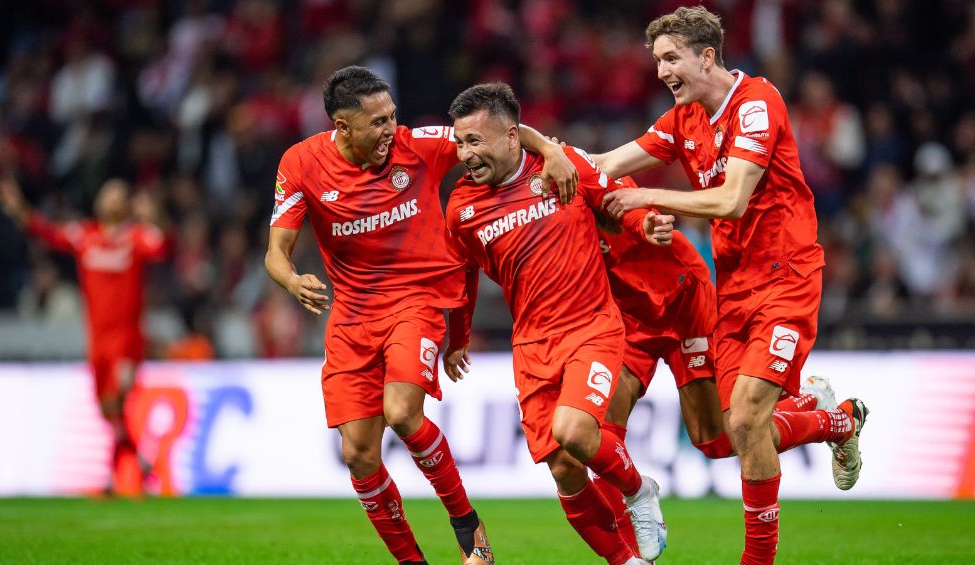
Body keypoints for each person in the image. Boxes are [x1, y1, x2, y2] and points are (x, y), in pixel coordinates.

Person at [264, 65, 577, 565]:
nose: (392, 130)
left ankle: (468, 526)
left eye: (393, 116)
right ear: (342, 127)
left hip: (418, 300)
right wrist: (291, 280)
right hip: (351, 316)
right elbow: (276, 252)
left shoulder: (419, 145)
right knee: (358, 455)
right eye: (378, 122)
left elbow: (498, 136)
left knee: (403, 413)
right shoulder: (301, 164)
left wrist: (554, 151)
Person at [597, 7, 868, 564]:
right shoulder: (682, 121)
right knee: (724, 436)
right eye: (656, 62)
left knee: (747, 418)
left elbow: (731, 199)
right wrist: (539, 159)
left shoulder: (757, 103)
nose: (661, 72)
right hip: (735, 287)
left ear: (707, 57)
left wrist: (649, 196)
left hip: (787, 276)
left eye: (671, 59)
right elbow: (605, 162)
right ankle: (834, 420)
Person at [443, 82, 675, 565]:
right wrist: (458, 337)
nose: (466, 154)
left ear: (512, 137)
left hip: (590, 326)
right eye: (460, 143)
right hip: (530, 345)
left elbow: (615, 198)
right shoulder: (461, 210)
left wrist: (646, 223)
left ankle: (639, 490)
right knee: (565, 470)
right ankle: (626, 562)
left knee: (574, 432)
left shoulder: (560, 166)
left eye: (475, 141)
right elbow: (463, 276)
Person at [592, 194, 842, 543]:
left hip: (686, 308)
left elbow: (635, 206)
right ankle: (631, 553)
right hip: (631, 321)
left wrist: (650, 221)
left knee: (717, 440)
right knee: (598, 435)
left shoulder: (596, 180)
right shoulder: (545, 211)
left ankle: (821, 415)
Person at [0, 176, 167, 496]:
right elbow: (45, 231)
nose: (108, 197)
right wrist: (18, 207)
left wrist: (152, 214)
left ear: (125, 205)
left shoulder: (135, 237)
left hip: (126, 340)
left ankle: (113, 478)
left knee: (117, 400)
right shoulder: (85, 236)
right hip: (97, 341)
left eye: (116, 193)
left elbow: (162, 245)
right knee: (107, 410)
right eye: (106, 191)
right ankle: (139, 463)